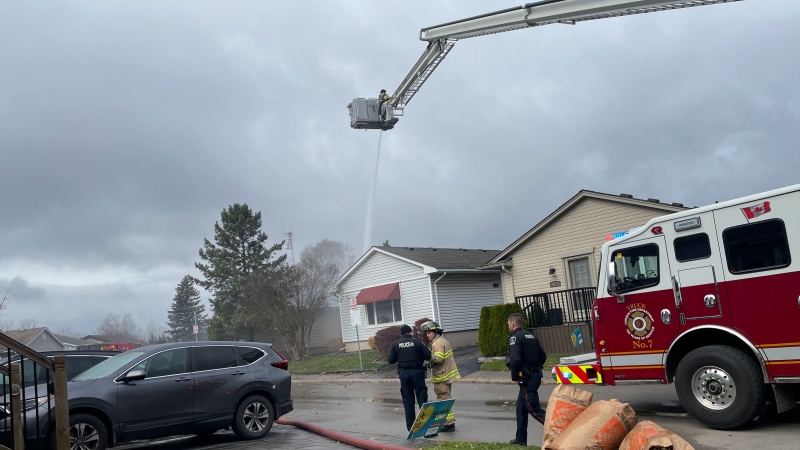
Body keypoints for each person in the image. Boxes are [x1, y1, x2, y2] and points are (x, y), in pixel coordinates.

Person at [506, 313, 547, 446]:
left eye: (508, 325)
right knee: (521, 408)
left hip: (527, 378)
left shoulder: (515, 338)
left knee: (533, 409)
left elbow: (515, 360)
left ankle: (559, 428)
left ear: (512, 324)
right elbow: (543, 355)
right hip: (535, 376)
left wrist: (516, 376)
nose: (509, 327)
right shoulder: (531, 336)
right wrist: (535, 367)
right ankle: (520, 439)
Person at [388, 324, 431, 431]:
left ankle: (411, 428)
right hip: (417, 372)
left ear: (401, 334)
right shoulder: (417, 342)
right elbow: (428, 356)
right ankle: (425, 426)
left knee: (408, 401)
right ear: (410, 332)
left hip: (404, 374)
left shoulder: (395, 344)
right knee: (422, 399)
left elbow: (391, 360)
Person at [421, 320, 460, 433]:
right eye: (427, 333)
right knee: (445, 398)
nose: (427, 335)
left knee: (443, 400)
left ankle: (448, 424)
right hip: (446, 374)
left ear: (436, 332)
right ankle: (449, 422)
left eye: (429, 333)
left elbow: (438, 358)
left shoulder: (437, 343)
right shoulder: (443, 340)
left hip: (441, 376)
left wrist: (429, 360)